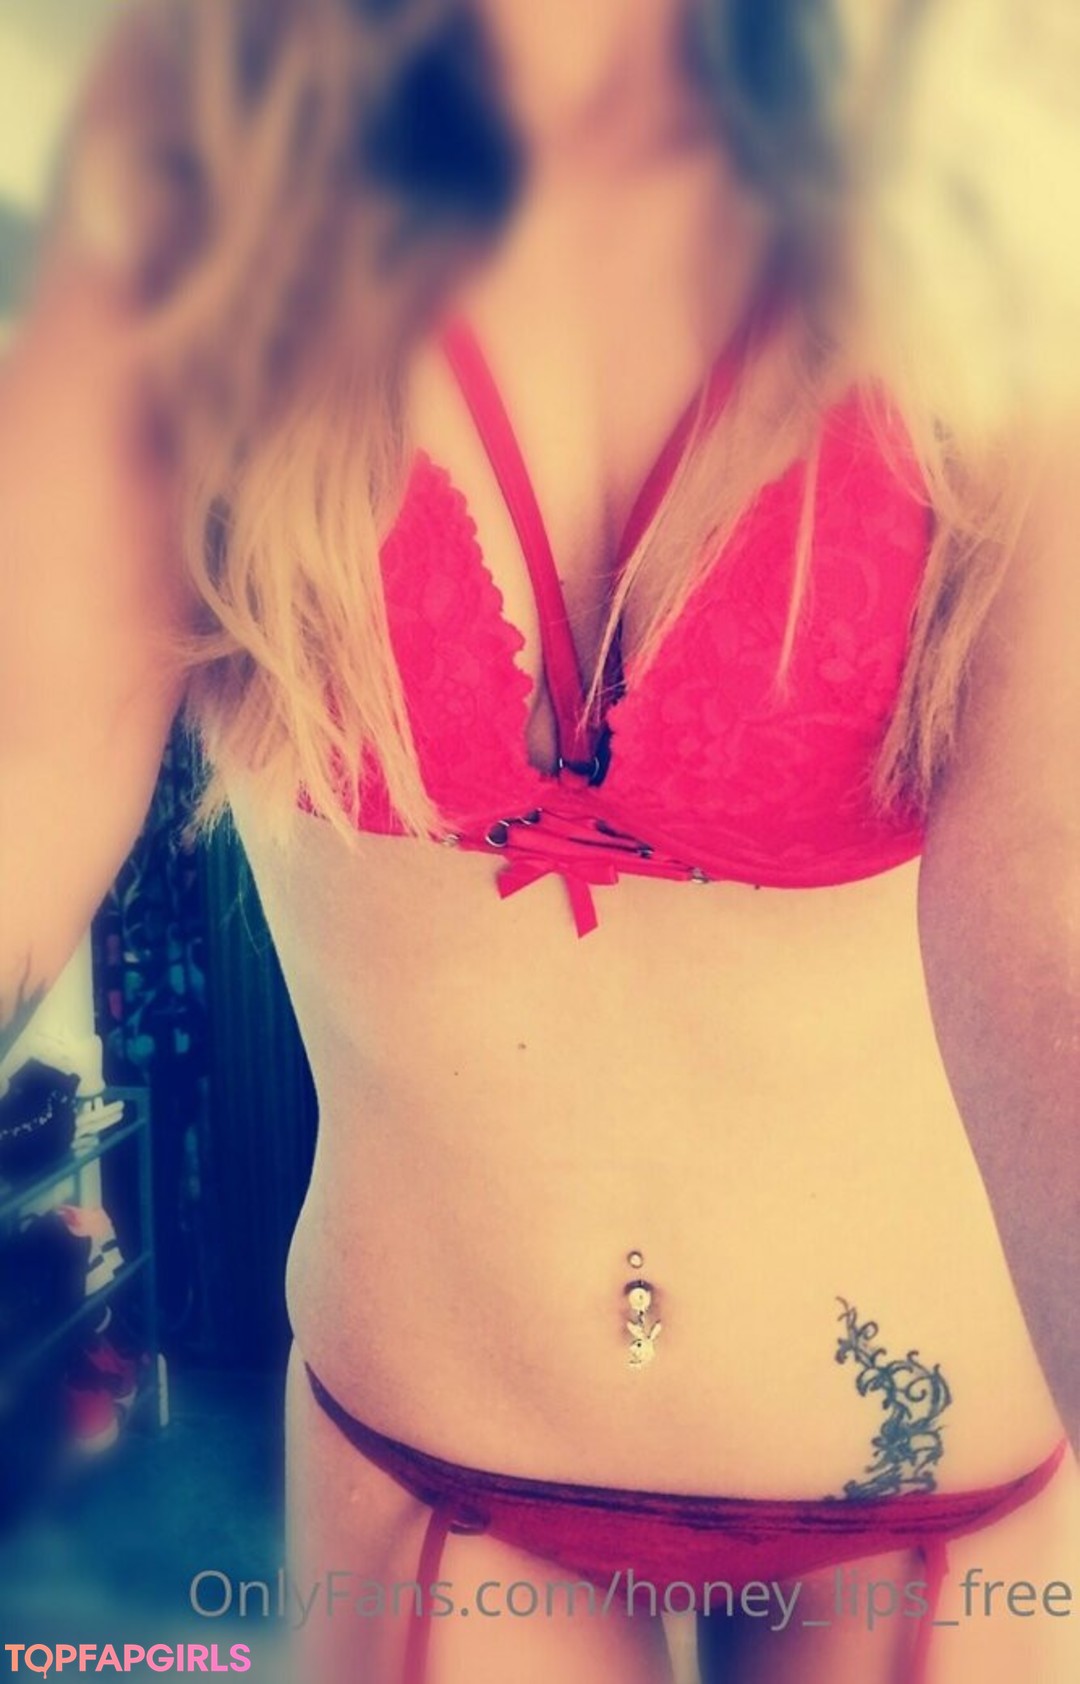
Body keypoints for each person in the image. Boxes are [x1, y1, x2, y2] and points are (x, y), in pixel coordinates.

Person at [2, 1, 1078, 1679]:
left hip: (943, 1486)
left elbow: (1055, 899)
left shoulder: (1008, 139)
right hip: (435, 1472)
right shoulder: (198, 149)